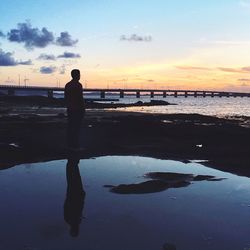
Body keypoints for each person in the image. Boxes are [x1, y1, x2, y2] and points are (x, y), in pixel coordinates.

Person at [64, 153, 86, 237]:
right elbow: (68, 206)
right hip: (74, 196)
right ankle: (73, 159)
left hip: (74, 196)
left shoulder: (73, 220)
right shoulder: (71, 220)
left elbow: (68, 206)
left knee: (74, 177)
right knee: (73, 178)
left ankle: (73, 159)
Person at [65, 69, 85, 150]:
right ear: (76, 75)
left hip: (70, 109)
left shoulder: (67, 85)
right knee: (76, 128)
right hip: (77, 109)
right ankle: (75, 146)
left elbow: (66, 97)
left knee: (70, 127)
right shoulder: (78, 85)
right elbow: (80, 98)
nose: (80, 76)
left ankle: (70, 144)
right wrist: (83, 108)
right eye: (79, 74)